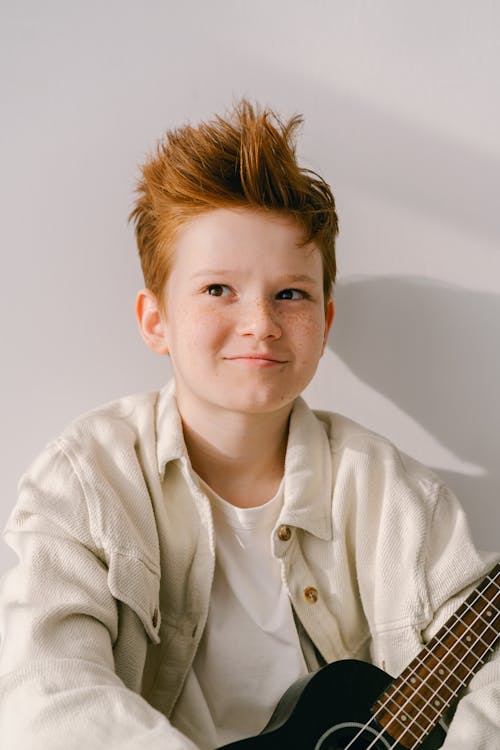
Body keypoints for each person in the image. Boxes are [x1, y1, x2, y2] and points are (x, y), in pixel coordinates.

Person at [0, 100, 498, 750]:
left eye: (290, 294)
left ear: (326, 323)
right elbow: (44, 695)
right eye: (217, 291)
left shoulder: (391, 495)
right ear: (155, 321)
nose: (260, 322)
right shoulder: (85, 481)